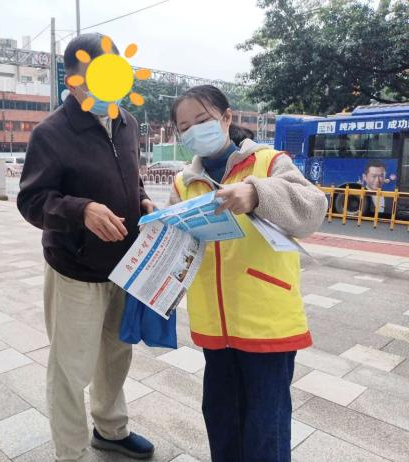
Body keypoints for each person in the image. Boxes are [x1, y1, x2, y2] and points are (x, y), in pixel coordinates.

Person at [168, 85, 327, 462]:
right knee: (221, 418)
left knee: (265, 426)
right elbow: (176, 247)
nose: (194, 131)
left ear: (226, 118)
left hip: (266, 322)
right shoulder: (183, 183)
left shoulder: (269, 163)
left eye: (203, 120)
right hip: (214, 324)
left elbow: (313, 208)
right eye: (185, 127)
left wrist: (257, 194)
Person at [17, 33, 155, 462]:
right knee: (70, 368)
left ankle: (111, 430)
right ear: (73, 78)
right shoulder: (51, 132)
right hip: (75, 269)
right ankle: (71, 453)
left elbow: (131, 177)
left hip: (124, 267)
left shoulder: (127, 123)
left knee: (115, 357)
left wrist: (143, 201)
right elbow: (32, 201)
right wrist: (82, 210)